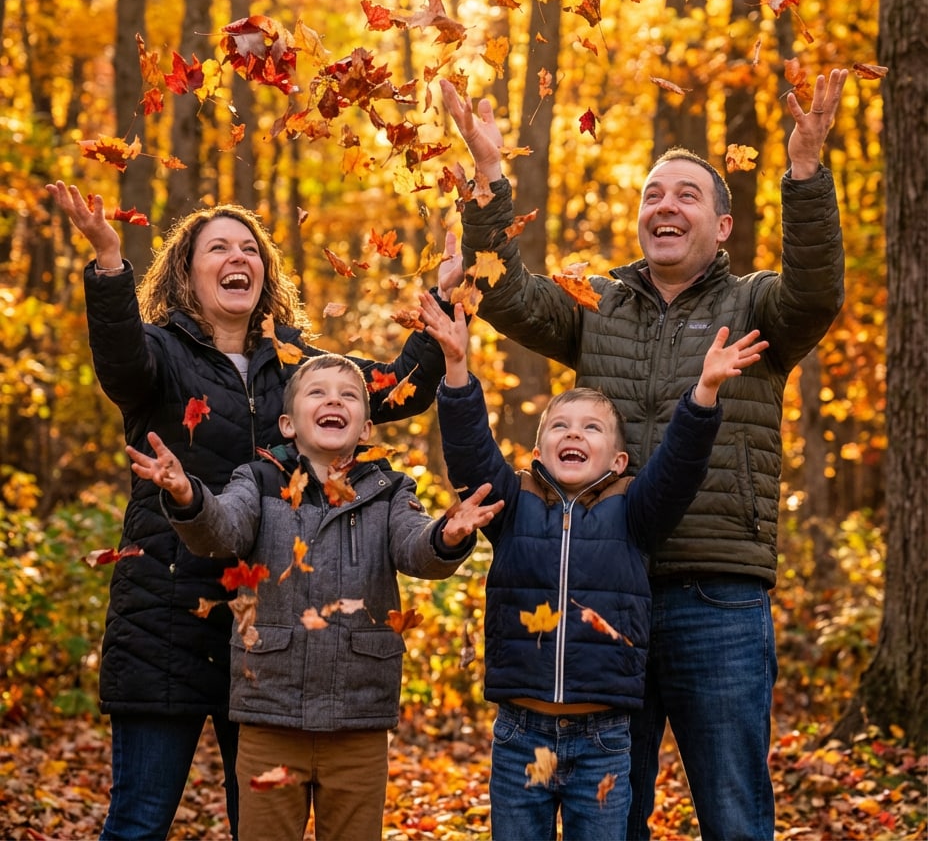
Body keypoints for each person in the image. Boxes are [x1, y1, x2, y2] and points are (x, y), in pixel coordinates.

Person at [438, 67, 847, 841]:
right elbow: (505, 293)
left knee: (733, 812)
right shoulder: (597, 303)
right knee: (615, 817)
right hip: (607, 594)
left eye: (688, 194)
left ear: (722, 227)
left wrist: (804, 171)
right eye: (653, 194)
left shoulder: (754, 305)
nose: (666, 205)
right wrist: (490, 176)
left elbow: (817, 292)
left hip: (717, 597)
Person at [45, 182, 464, 841]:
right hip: (167, 615)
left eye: (249, 248)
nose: (237, 256)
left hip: (270, 633)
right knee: (139, 820)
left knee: (260, 825)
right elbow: (120, 362)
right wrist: (107, 263)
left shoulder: (297, 366)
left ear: (264, 272)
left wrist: (441, 298)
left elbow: (396, 389)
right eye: (218, 248)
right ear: (186, 272)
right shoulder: (160, 352)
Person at [418, 291, 768, 841]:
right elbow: (470, 452)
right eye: (559, 426)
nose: (574, 434)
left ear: (619, 460)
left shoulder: (633, 513)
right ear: (538, 452)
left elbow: (678, 468)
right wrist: (457, 366)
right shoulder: (514, 506)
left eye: (591, 428)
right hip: (520, 734)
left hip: (602, 739)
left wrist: (703, 393)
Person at [128, 352, 503, 841]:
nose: (334, 401)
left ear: (366, 428)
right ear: (288, 424)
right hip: (270, 714)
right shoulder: (258, 481)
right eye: (318, 393)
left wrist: (446, 536)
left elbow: (415, 547)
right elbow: (222, 531)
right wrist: (187, 496)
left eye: (348, 396)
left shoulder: (389, 489)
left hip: (358, 720)